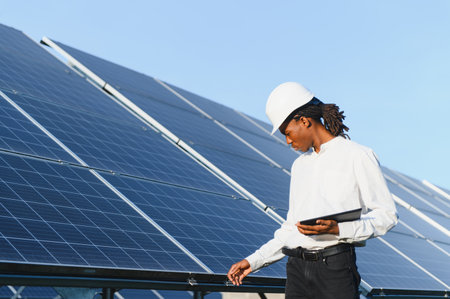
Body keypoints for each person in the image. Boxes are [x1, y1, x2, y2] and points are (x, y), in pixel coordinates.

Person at [227, 82, 398, 299]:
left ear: (305, 121)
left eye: (288, 133)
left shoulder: (358, 156)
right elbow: (291, 229)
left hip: (335, 269)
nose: (288, 141)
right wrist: (253, 261)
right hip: (297, 270)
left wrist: (339, 230)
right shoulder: (300, 166)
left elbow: (387, 216)